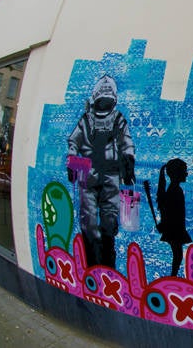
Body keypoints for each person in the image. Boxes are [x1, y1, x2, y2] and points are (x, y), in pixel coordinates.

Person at [67, 75, 135, 268]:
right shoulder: (86, 120)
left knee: (108, 222)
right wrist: (72, 160)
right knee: (89, 222)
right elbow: (74, 141)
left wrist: (128, 161)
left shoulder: (117, 119)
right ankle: (94, 263)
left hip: (109, 174)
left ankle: (106, 265)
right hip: (90, 173)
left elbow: (126, 143)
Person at [157, 158, 192, 277]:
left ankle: (173, 276)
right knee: (178, 255)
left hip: (174, 229)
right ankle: (173, 277)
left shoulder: (173, 189)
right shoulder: (175, 190)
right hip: (175, 230)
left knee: (177, 255)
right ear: (177, 173)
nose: (186, 174)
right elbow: (173, 213)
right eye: (184, 171)